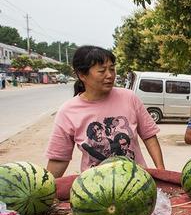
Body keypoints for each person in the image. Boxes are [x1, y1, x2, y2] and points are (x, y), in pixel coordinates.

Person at [46, 46, 165, 177]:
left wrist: (161, 172)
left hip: (136, 181)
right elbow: (59, 158)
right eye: (102, 71)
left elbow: (149, 137)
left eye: (112, 69)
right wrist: (47, 192)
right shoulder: (68, 111)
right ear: (82, 75)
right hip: (95, 187)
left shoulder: (129, 98)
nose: (110, 75)